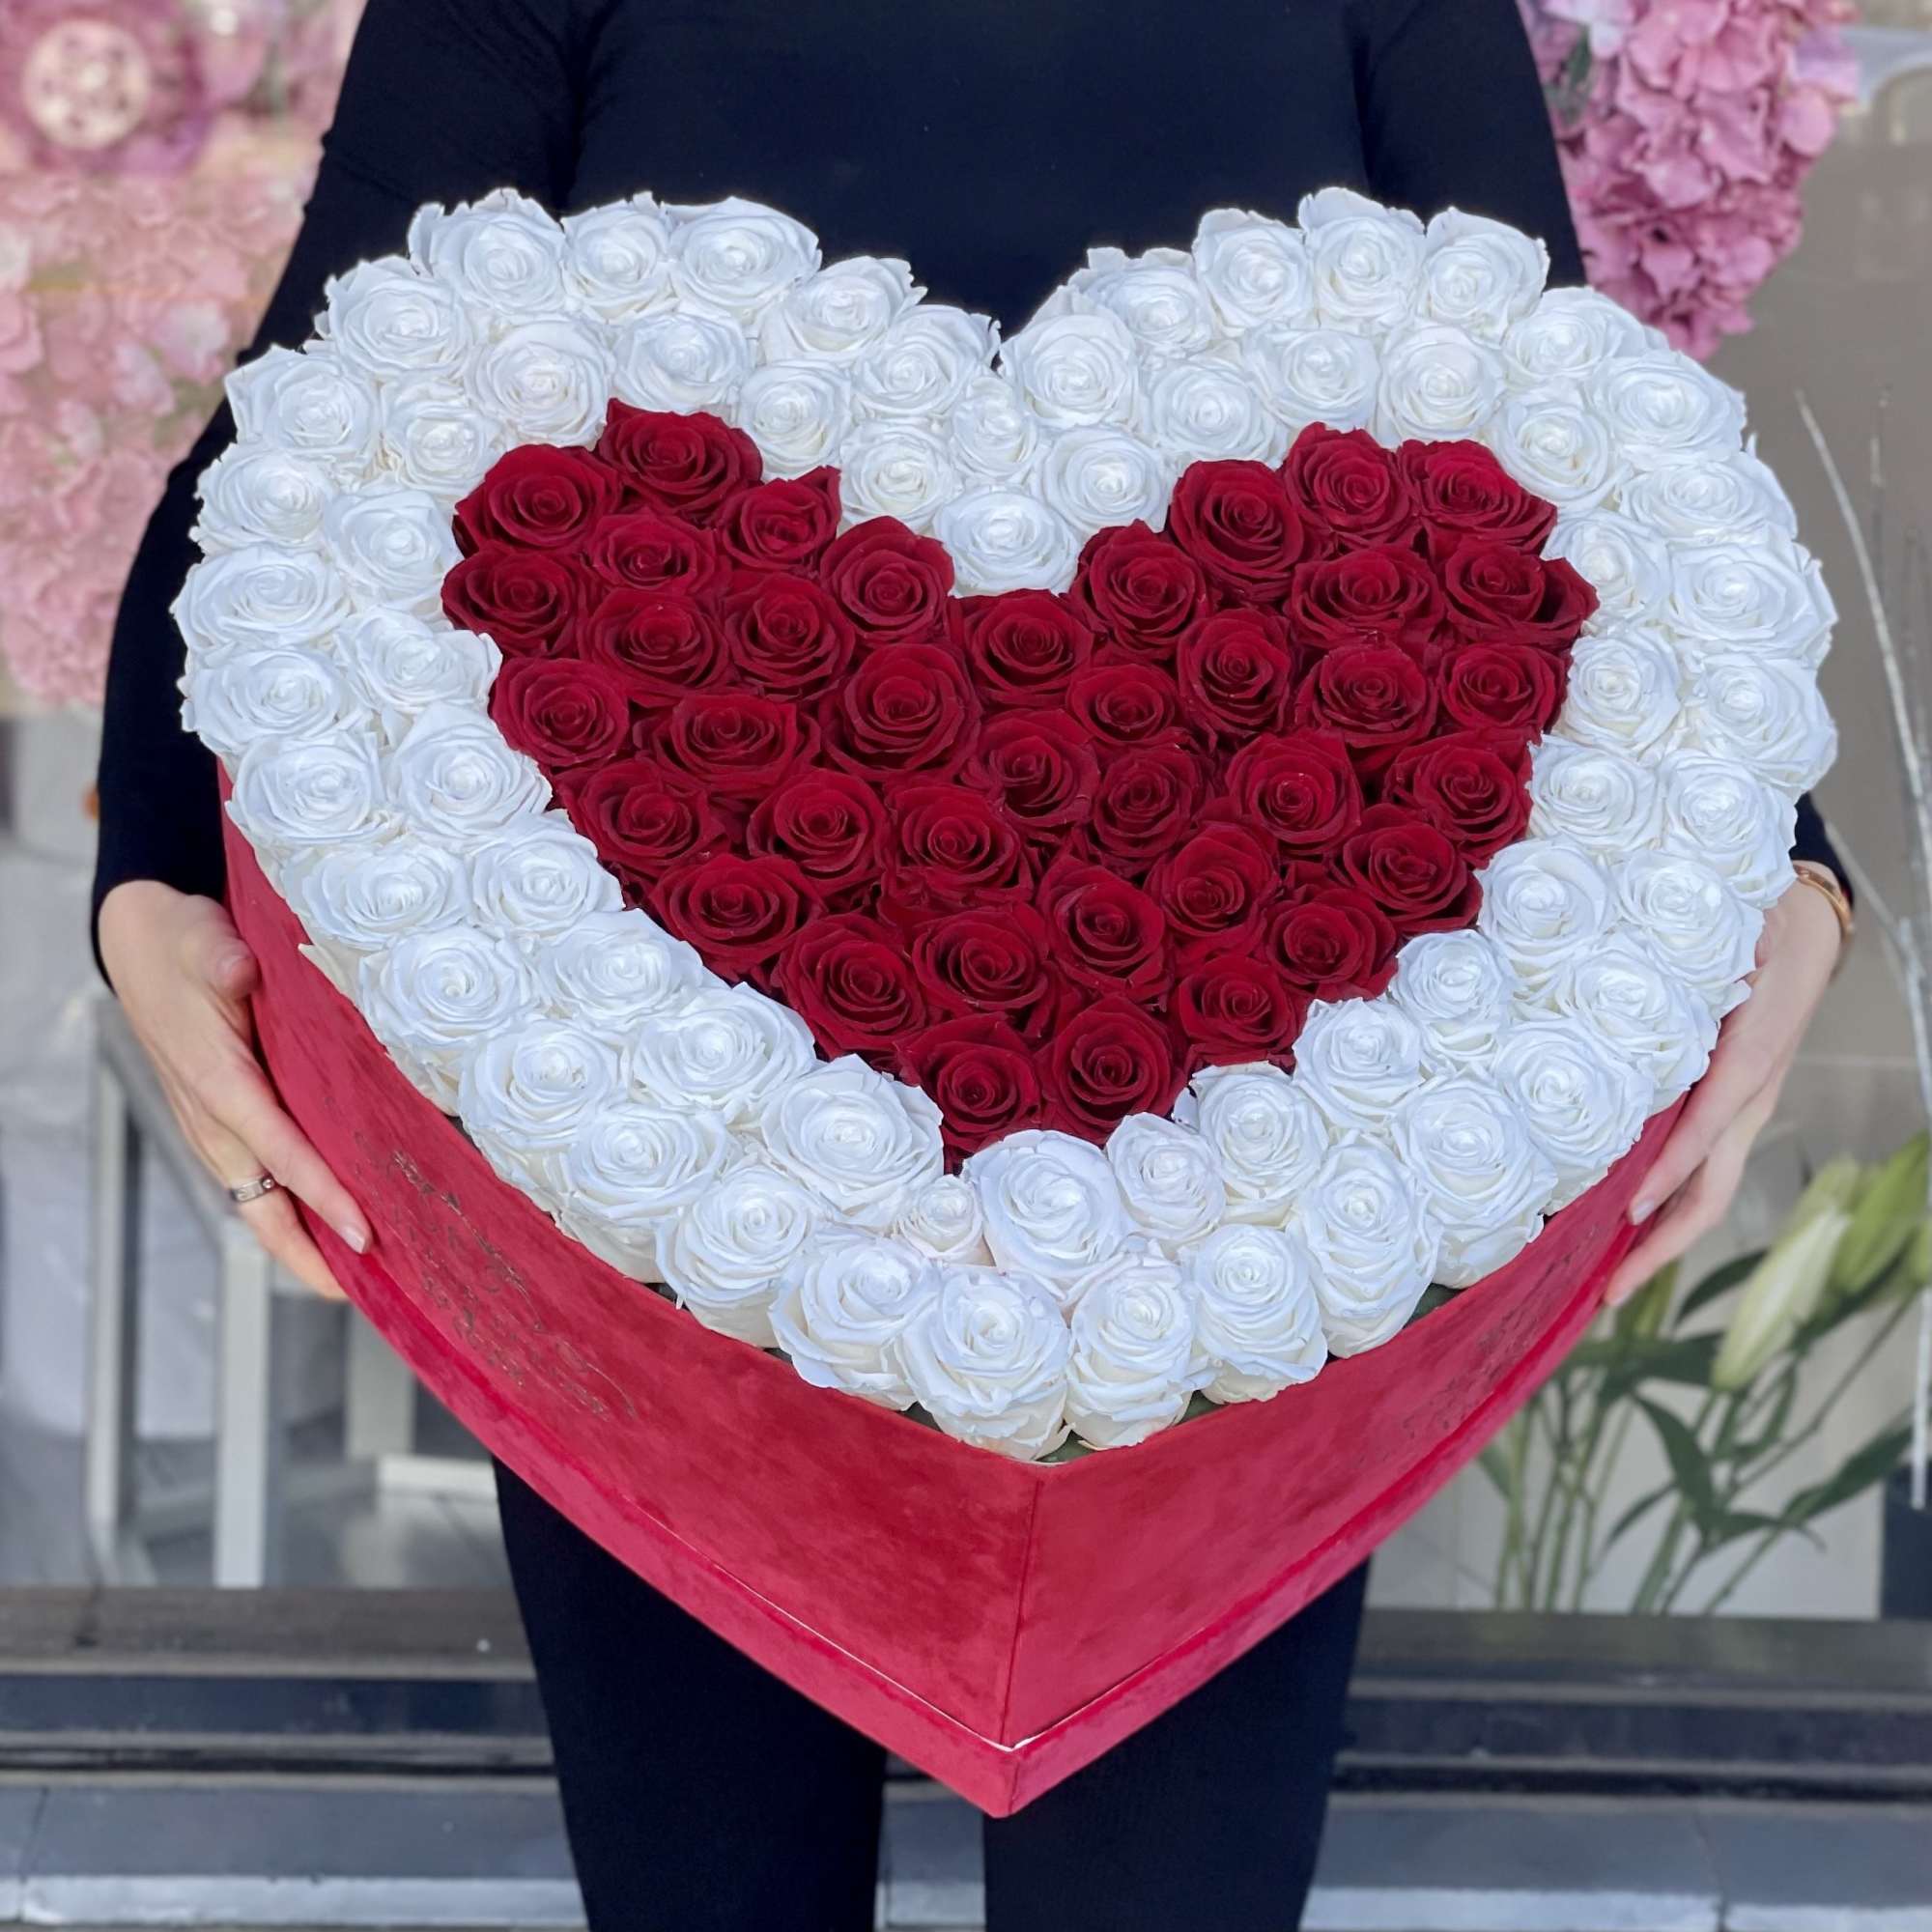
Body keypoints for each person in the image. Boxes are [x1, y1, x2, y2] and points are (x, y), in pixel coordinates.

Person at [91, 2, 1853, 1926]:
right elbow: (317, 416)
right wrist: (148, 880)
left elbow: (1565, 424)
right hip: (657, 1148)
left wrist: (1789, 873)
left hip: (1237, 1174)